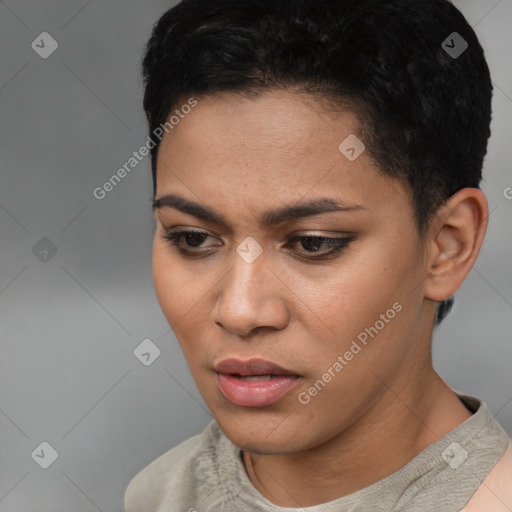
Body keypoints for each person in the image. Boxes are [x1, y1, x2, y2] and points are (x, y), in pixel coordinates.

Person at [124, 0, 512, 510]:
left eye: (313, 243)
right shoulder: (162, 494)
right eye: (193, 238)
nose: (239, 310)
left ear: (447, 246)